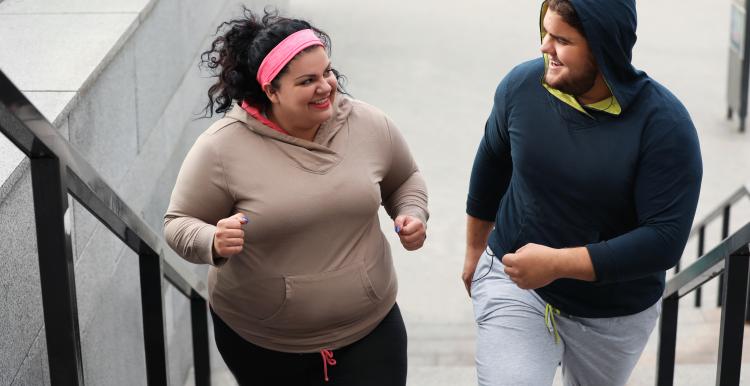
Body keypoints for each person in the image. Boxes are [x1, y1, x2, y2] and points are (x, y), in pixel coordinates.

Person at [164, 8, 428, 386]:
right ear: (270, 90)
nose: (326, 87)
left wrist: (412, 212)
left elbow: (405, 178)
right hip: (265, 346)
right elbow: (177, 223)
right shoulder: (221, 149)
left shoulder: (368, 124)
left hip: (371, 329)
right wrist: (212, 240)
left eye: (327, 72)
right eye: (308, 81)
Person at [462, 0, 702, 385]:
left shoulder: (665, 126)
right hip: (518, 286)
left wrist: (556, 263)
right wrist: (475, 249)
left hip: (614, 313)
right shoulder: (522, 86)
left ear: (603, 46)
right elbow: (492, 158)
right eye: (544, 32)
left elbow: (664, 241)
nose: (544, 47)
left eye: (561, 39)